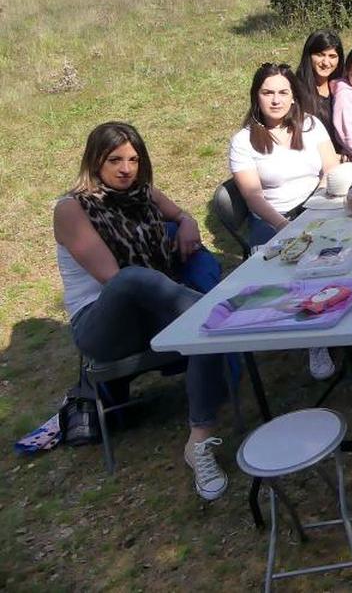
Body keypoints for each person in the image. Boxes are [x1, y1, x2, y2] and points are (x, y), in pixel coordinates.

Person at [53, 122, 230, 500]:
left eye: (133, 159)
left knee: (202, 326)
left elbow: (182, 214)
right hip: (102, 324)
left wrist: (186, 222)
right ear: (94, 161)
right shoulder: (71, 209)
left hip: (156, 309)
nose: (125, 168)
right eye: (114, 159)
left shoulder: (144, 194)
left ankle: (198, 441)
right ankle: (218, 308)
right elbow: (114, 280)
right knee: (134, 279)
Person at [229, 63, 340, 248]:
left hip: (315, 206)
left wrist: (315, 206)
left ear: (293, 97)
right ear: (256, 97)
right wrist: (284, 225)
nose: (276, 100)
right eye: (267, 93)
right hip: (273, 219)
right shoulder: (242, 141)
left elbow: (331, 168)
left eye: (283, 93)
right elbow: (253, 197)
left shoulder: (310, 124)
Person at [295, 29, 345, 157]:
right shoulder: (295, 91)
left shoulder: (343, 86)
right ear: (309, 56)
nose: (326, 63)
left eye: (332, 56)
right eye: (320, 55)